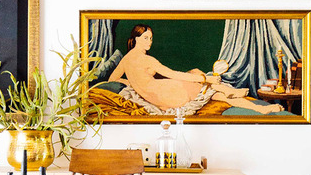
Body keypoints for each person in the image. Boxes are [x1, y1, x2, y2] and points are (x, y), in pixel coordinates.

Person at [108, 25, 283, 114]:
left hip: (157, 95)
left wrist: (131, 82)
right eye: (145, 38)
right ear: (136, 38)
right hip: (168, 95)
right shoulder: (147, 59)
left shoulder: (126, 59)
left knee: (194, 72)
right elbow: (173, 74)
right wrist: (205, 80)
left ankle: (228, 91)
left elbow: (112, 80)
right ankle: (255, 106)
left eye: (151, 38)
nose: (149, 42)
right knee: (212, 90)